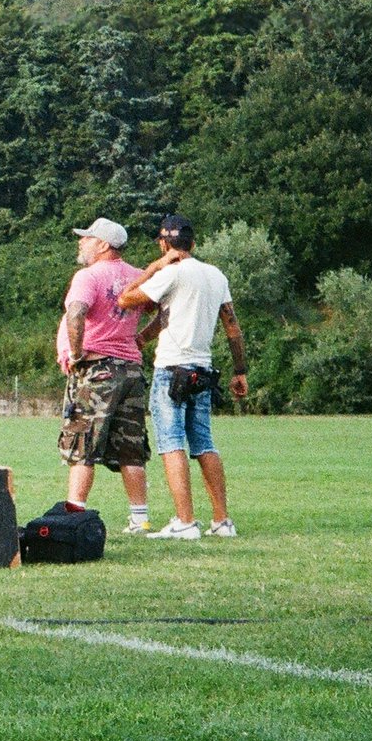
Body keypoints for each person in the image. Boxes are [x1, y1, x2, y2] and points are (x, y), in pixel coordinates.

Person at [117, 215, 247, 541]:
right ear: (194, 242)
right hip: (202, 371)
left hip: (171, 371)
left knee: (171, 443)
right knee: (204, 444)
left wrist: (154, 266)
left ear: (164, 244)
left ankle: (185, 521)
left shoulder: (171, 273)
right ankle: (222, 521)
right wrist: (240, 371)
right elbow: (231, 326)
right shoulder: (215, 275)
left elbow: (125, 298)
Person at [54, 216, 153, 531]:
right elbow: (164, 311)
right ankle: (140, 519)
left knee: (82, 444)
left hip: (97, 370)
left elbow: (76, 312)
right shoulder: (138, 276)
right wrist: (143, 338)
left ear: (103, 245)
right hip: (132, 371)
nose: (81, 242)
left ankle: (74, 514)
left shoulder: (88, 276)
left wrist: (75, 353)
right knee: (131, 448)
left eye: (87, 238)